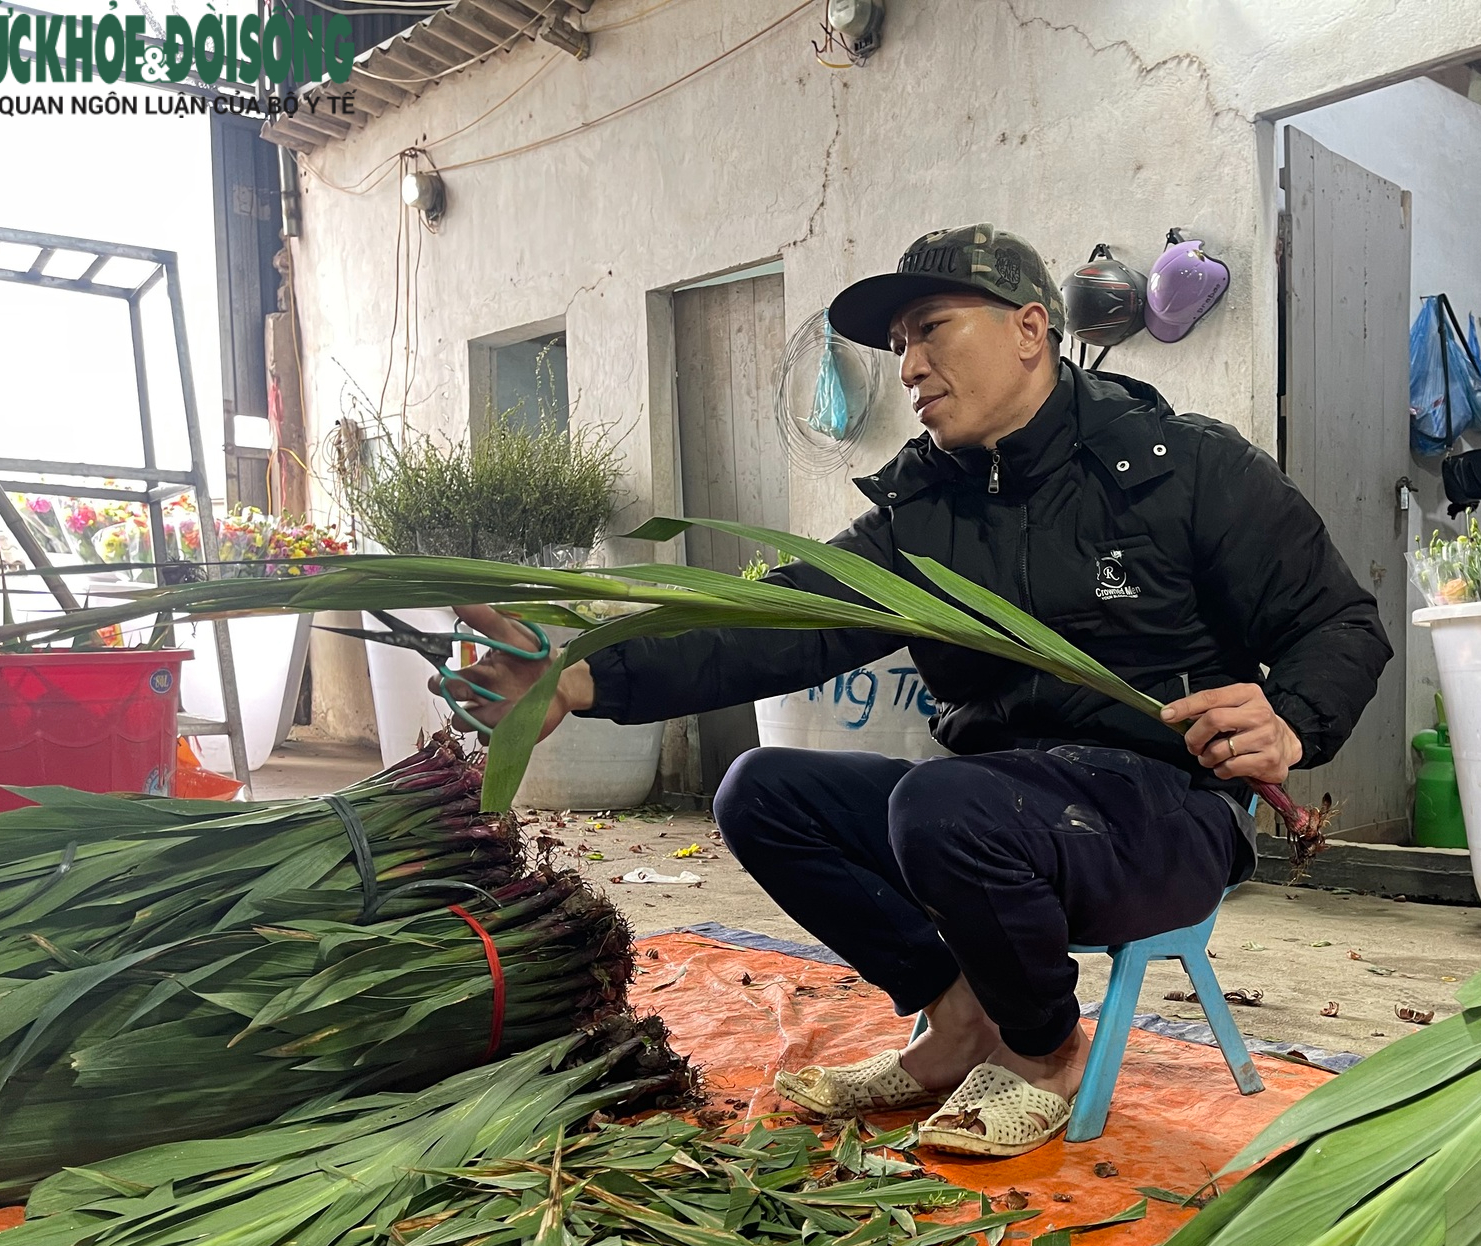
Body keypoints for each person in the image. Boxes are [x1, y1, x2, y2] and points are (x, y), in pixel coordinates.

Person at [443, 224, 1390, 1158]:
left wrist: (1292, 723)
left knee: (945, 807)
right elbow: (777, 623)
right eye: (900, 345)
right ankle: (960, 1010)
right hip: (994, 811)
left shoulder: (1182, 469)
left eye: (932, 328)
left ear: (1030, 330)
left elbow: (1342, 624)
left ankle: (1045, 1051)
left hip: (1159, 812)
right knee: (761, 792)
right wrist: (579, 676)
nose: (908, 368)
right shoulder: (922, 514)